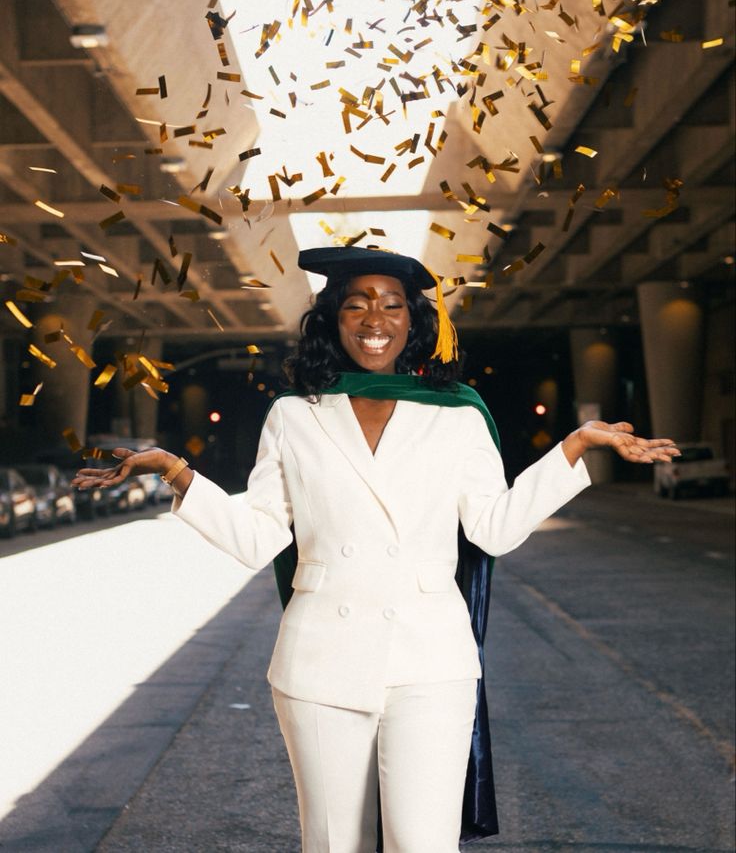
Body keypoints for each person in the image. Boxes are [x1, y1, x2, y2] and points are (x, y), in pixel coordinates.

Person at [73, 246, 680, 853]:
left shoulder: (458, 413)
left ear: (414, 323)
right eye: (358, 304)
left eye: (392, 305)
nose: (375, 318)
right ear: (333, 318)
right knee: (336, 844)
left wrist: (573, 448)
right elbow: (257, 538)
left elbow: (494, 529)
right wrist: (176, 472)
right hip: (318, 662)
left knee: (423, 844)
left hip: (431, 664)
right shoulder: (294, 416)